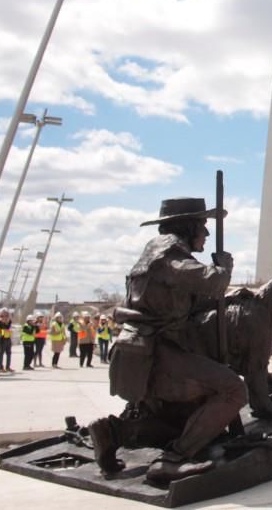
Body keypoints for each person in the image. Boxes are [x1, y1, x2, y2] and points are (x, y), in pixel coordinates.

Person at [100, 196, 245, 485]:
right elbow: (213, 282)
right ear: (188, 226)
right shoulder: (168, 256)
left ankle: (112, 433)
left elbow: (180, 306)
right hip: (156, 353)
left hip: (147, 349)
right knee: (233, 390)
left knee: (190, 405)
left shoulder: (155, 255)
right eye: (202, 225)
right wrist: (224, 268)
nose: (206, 233)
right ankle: (171, 460)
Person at [0, 308, 13, 373]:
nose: (5, 317)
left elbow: (9, 323)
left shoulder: (7, 322)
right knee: (1, 353)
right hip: (2, 339)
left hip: (8, 338)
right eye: (3, 316)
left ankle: (8, 367)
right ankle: (1, 367)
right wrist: (0, 314)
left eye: (6, 315)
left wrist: (9, 316)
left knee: (9, 353)